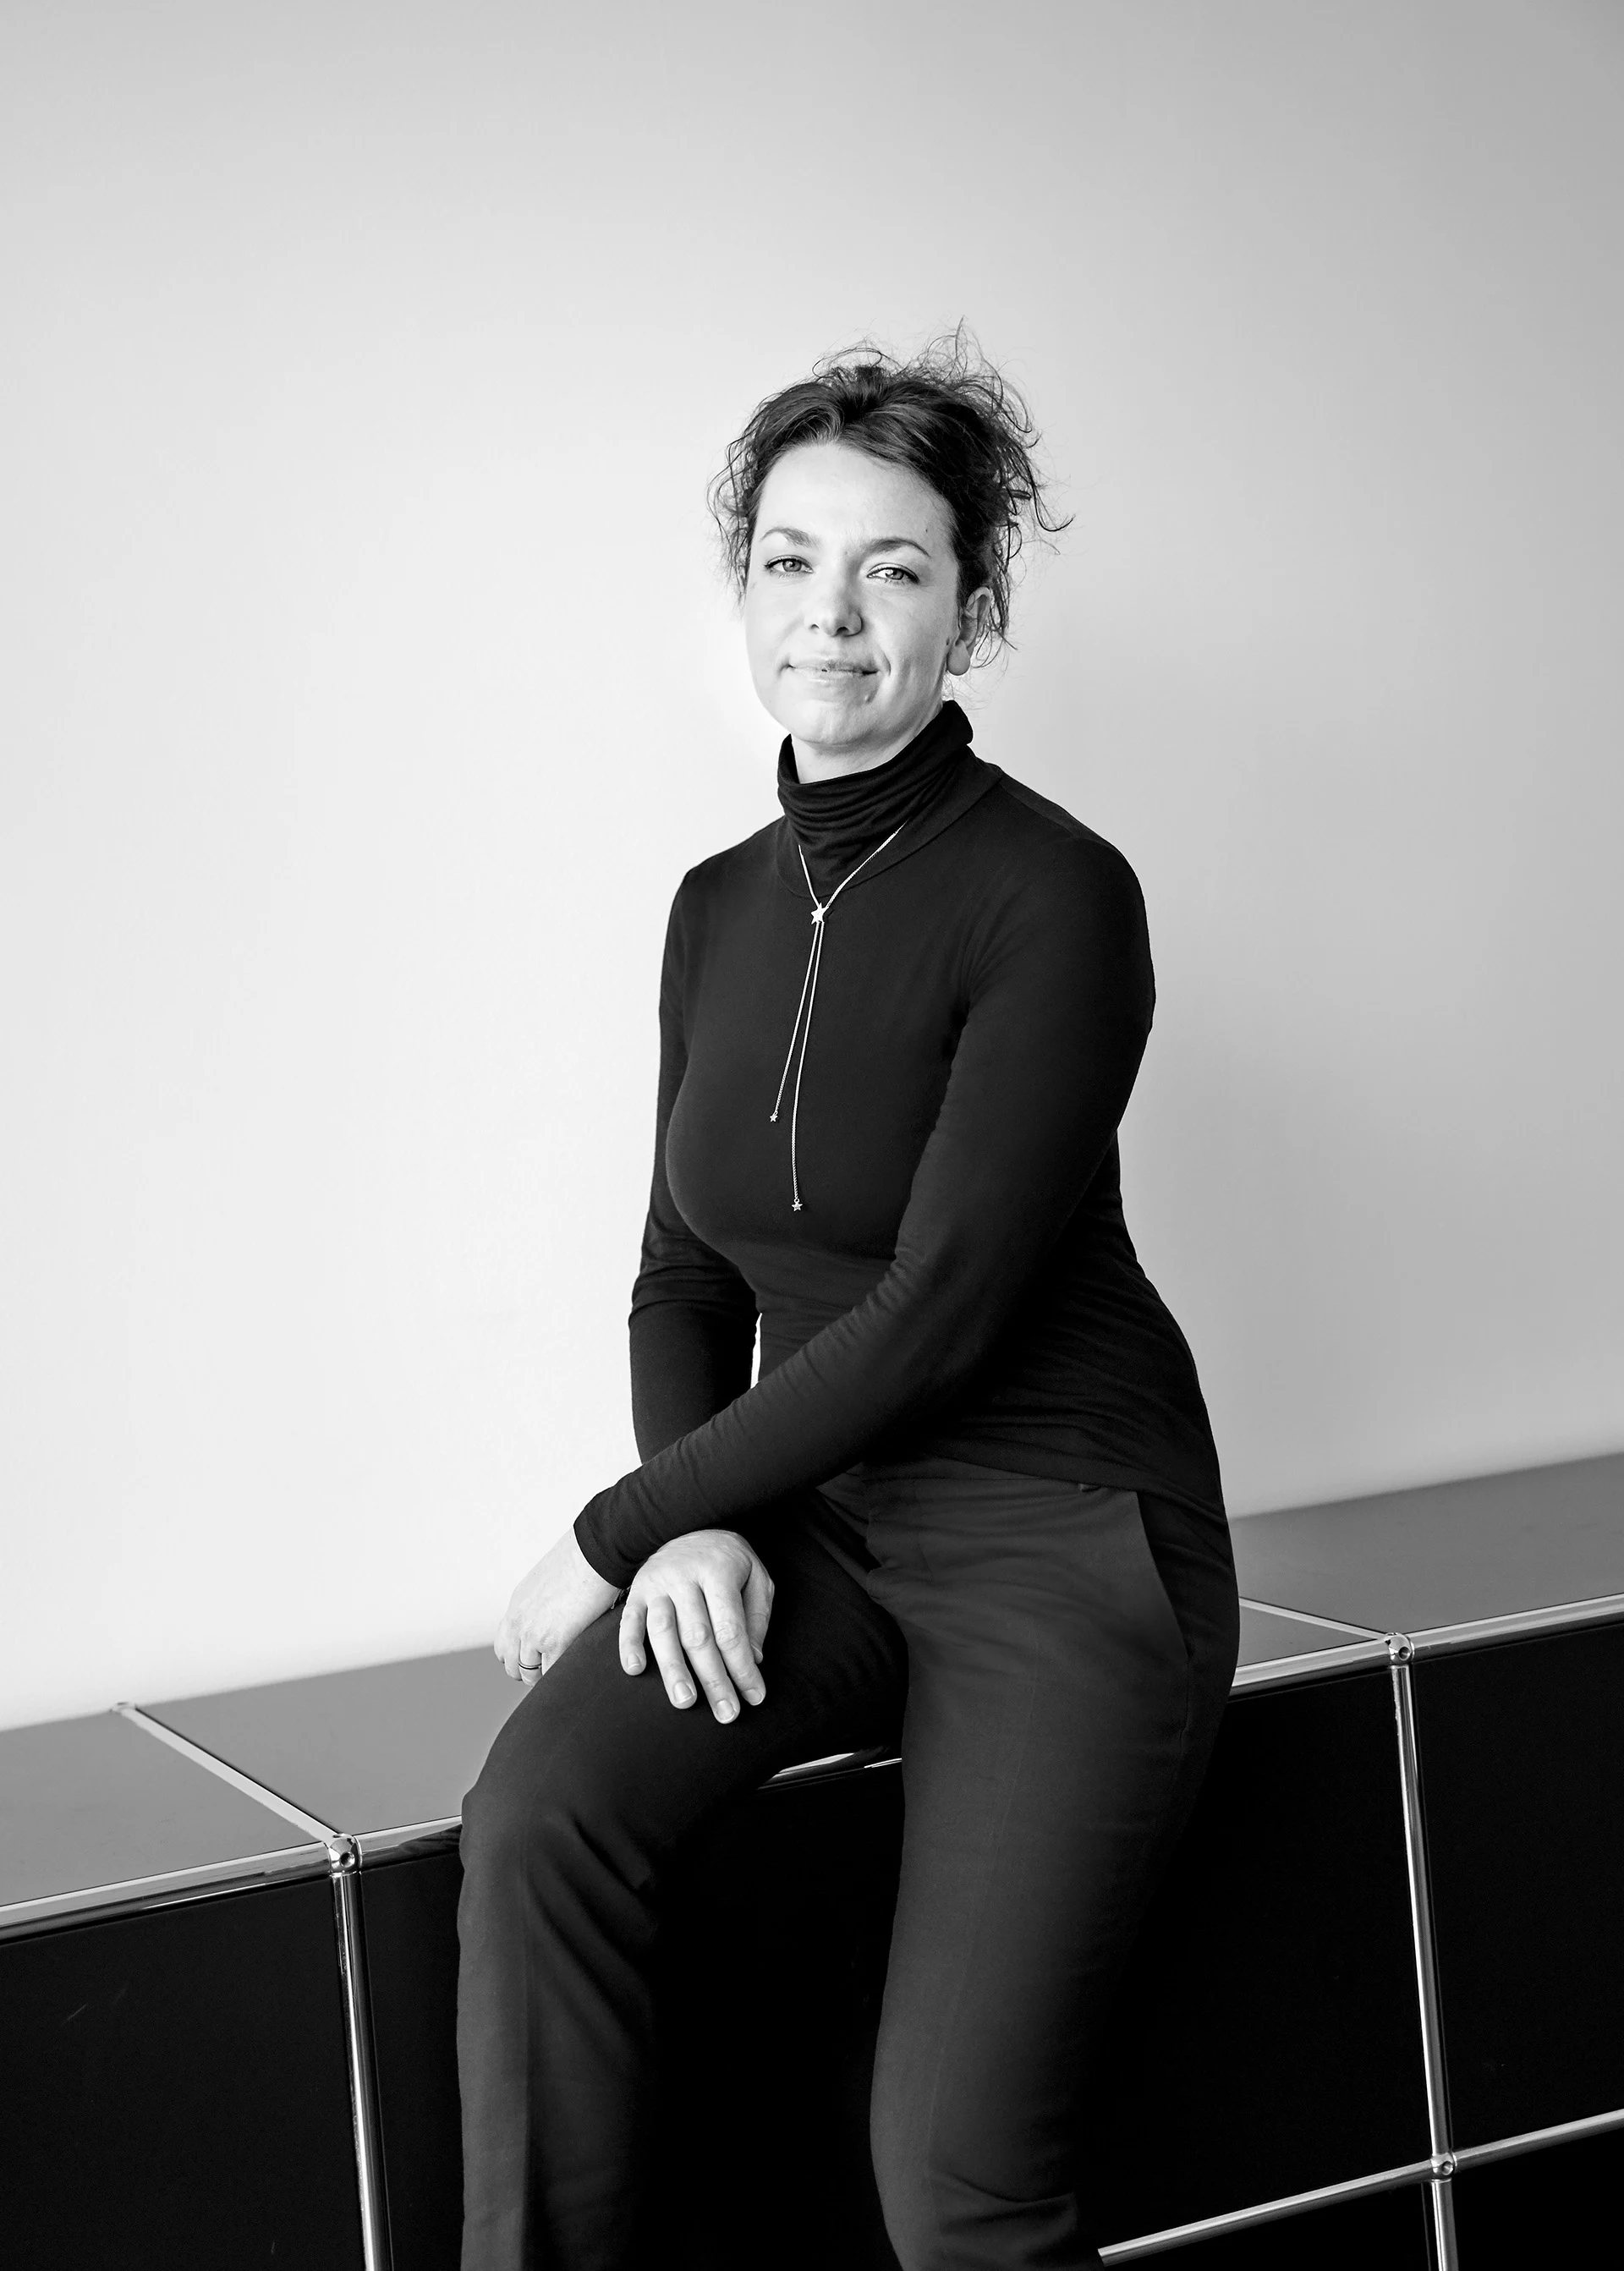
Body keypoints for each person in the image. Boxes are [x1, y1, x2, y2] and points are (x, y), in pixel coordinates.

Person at [457, 335, 1240, 2271]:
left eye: (892, 568)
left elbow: (944, 1309)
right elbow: (683, 1270)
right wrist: (695, 1523)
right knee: (539, 1820)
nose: (833, 613)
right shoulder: (714, 907)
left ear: (970, 611)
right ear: (743, 591)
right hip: (819, 1519)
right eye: (790, 560)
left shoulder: (1059, 894)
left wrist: (613, 1529)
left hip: (1061, 1533)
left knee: (954, 2177)